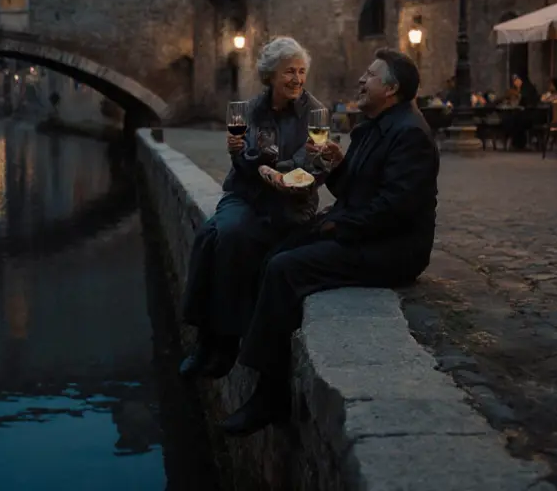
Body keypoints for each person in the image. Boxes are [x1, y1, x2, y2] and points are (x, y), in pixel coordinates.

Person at [219, 49, 439, 436]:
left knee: (285, 269)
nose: (361, 80)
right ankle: (248, 356)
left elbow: (396, 210)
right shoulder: (375, 126)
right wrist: (338, 167)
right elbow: (353, 189)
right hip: (363, 229)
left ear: (391, 89)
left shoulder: (410, 135)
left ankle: (270, 395)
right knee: (275, 252)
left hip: (394, 248)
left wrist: (337, 228)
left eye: (370, 75)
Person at [179, 37, 328, 380]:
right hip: (246, 195)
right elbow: (243, 161)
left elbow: (313, 162)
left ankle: (224, 341)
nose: (297, 79)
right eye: (289, 71)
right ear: (270, 75)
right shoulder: (248, 110)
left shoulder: (316, 112)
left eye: (302, 72)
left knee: (230, 235)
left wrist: (272, 166)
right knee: (211, 233)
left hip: (290, 201)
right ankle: (206, 338)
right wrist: (250, 159)